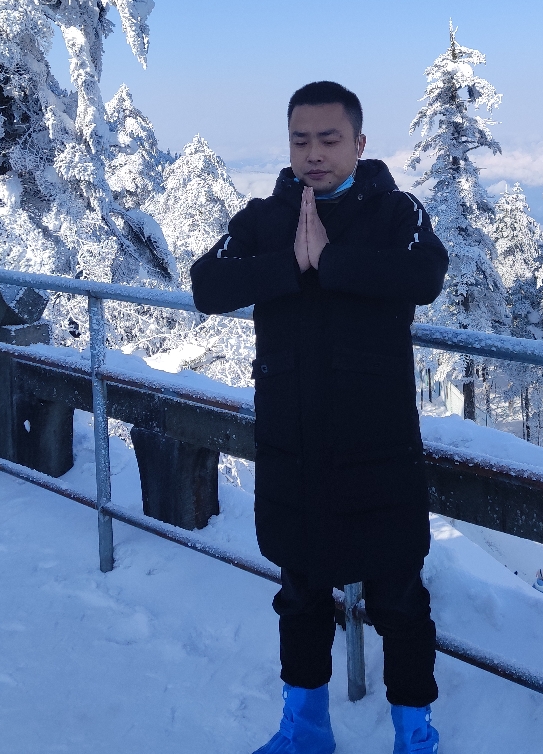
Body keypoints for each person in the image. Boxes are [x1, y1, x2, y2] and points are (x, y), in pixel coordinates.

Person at [191, 81, 449, 754]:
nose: (313, 154)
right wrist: (290, 263)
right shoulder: (263, 219)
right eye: (300, 140)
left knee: (399, 599)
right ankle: (305, 730)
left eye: (329, 140)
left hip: (379, 444)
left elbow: (424, 275)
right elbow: (207, 285)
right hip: (293, 441)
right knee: (300, 593)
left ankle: (414, 735)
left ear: (359, 143)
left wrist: (329, 262)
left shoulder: (395, 211)